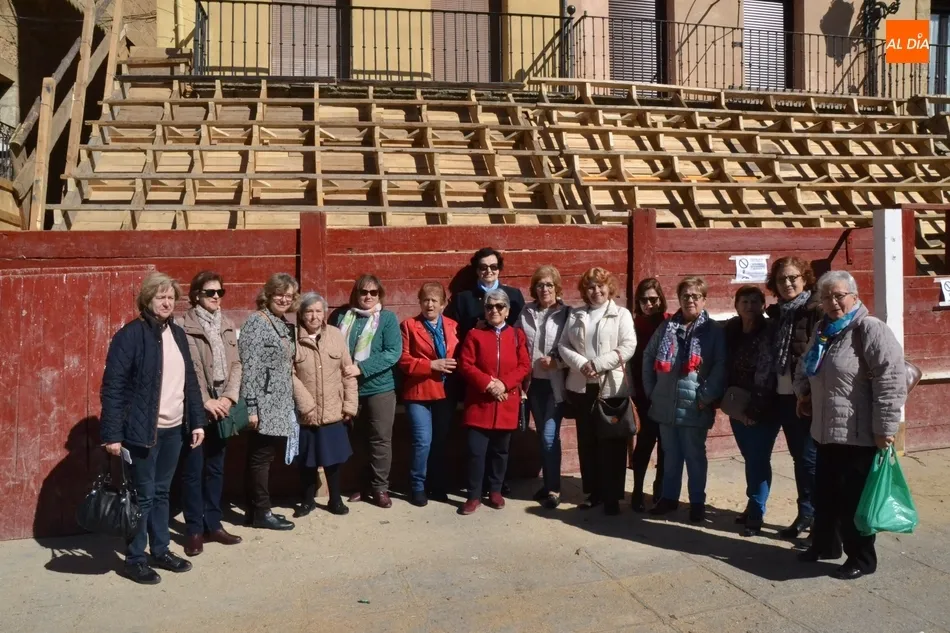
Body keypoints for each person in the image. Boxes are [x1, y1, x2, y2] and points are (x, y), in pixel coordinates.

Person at [795, 271, 906, 580]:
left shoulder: (870, 330)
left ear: (855, 297)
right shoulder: (823, 329)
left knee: (853, 500)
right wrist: (802, 392)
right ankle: (825, 545)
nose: (833, 302)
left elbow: (891, 381)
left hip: (858, 434)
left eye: (839, 295)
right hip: (825, 429)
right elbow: (807, 366)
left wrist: (886, 428)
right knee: (825, 495)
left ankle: (861, 557)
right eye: (826, 297)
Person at [100, 272, 206, 585]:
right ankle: (135, 559)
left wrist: (197, 421)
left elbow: (190, 383)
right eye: (161, 297)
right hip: (141, 433)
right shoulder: (130, 335)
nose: (166, 302)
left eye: (171, 297)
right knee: (142, 497)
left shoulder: (177, 333)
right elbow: (113, 387)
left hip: (174, 429)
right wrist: (112, 434)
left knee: (161, 493)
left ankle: (160, 550)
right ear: (147, 299)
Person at [642, 276, 726, 523]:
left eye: (695, 296)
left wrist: (706, 396)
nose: (690, 300)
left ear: (704, 299)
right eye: (685, 296)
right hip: (666, 403)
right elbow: (648, 357)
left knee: (694, 456)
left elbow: (721, 366)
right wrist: (652, 391)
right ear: (679, 299)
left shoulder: (713, 331)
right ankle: (669, 498)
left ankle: (697, 502)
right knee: (670, 454)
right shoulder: (667, 327)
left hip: (695, 405)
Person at [559, 267, 636, 516]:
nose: (596, 291)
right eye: (590, 287)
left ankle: (612, 497)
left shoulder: (621, 314)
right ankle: (594, 493)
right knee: (587, 442)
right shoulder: (577, 314)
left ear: (609, 287)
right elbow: (563, 345)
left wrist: (598, 364)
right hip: (582, 387)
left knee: (612, 444)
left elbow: (629, 346)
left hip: (611, 388)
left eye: (600, 286)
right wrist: (582, 365)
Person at [180, 271, 244, 557]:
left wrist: (229, 397)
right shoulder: (183, 326)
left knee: (216, 468)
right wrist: (205, 401)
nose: (216, 297)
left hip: (222, 406)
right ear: (196, 295)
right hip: (196, 407)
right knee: (193, 471)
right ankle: (194, 529)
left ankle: (213, 524)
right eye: (210, 292)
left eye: (220, 292)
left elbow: (237, 365)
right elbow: (186, 370)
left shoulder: (227, 324)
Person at [458, 289, 531, 515]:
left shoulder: (517, 336)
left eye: (500, 306)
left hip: (506, 402)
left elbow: (524, 366)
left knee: (501, 451)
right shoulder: (474, 335)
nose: (494, 310)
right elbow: (466, 365)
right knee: (476, 451)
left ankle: (496, 490)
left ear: (507, 311)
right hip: (480, 402)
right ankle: (473, 495)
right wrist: (489, 384)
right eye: (490, 307)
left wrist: (504, 384)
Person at [332, 274, 402, 509]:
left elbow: (392, 352)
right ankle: (361, 486)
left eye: (373, 292)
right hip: (349, 389)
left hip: (380, 387)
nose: (368, 296)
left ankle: (380, 487)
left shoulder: (388, 319)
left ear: (379, 295)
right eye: (364, 292)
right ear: (356, 294)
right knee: (357, 439)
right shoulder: (342, 317)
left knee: (380, 439)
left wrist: (360, 368)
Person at [765, 256, 822, 540]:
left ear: (804, 278)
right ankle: (806, 513)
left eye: (792, 277)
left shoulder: (815, 311)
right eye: (781, 279)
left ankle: (821, 519)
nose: (787, 283)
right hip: (784, 395)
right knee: (799, 458)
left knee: (811, 459)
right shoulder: (777, 314)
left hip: (809, 396)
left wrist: (810, 392)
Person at [240, 273, 299, 531]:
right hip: (264, 404)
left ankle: (256, 509)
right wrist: (251, 408)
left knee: (263, 457)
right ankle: (261, 511)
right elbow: (249, 368)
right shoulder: (257, 322)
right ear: (268, 295)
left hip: (278, 402)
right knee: (261, 457)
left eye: (289, 295)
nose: (284, 299)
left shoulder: (280, 322)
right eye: (279, 294)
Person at [291, 292, 358, 517]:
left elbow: (347, 372)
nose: (314, 316)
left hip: (333, 409)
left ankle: (335, 499)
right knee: (307, 460)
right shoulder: (292, 338)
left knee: (333, 459)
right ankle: (308, 500)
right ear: (301, 315)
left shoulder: (336, 335)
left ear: (324, 313)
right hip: (305, 412)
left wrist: (349, 406)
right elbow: (289, 374)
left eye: (318, 311)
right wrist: (305, 403)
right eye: (309, 311)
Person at [398, 282, 459, 507]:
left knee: (440, 441)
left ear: (443, 304)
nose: (430, 304)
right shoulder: (409, 326)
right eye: (425, 300)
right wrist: (431, 364)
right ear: (420, 302)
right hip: (419, 392)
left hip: (445, 392)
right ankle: (417, 486)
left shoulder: (453, 326)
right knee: (422, 441)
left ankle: (437, 484)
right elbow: (403, 360)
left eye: (434, 300)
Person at [723, 286, 778, 537]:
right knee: (750, 458)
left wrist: (753, 411)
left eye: (755, 301)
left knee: (757, 459)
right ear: (736, 306)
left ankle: (756, 512)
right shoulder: (732, 330)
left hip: (762, 406)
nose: (749, 306)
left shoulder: (767, 332)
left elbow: (766, 374)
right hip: (737, 404)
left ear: (763, 306)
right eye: (744, 301)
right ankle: (752, 503)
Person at [518, 266, 571, 509]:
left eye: (549, 285)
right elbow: (517, 342)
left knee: (550, 436)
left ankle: (554, 489)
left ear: (557, 288)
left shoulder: (566, 313)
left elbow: (574, 347)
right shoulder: (526, 311)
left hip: (554, 384)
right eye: (540, 284)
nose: (545, 289)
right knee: (542, 435)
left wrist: (557, 362)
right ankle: (549, 483)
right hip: (531, 383)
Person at [629, 278, 670, 512]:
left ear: (660, 299)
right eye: (644, 300)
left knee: (666, 444)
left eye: (653, 299)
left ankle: (660, 489)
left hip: (665, 393)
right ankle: (637, 490)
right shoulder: (634, 325)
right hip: (643, 394)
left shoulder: (669, 322)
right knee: (645, 442)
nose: (649, 304)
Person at [447, 246, 526, 343]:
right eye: (483, 267)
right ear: (477, 270)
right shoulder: (463, 299)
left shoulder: (514, 295)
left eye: (493, 267)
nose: (489, 271)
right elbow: (454, 334)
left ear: (499, 269)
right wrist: (473, 329)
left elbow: (522, 329)